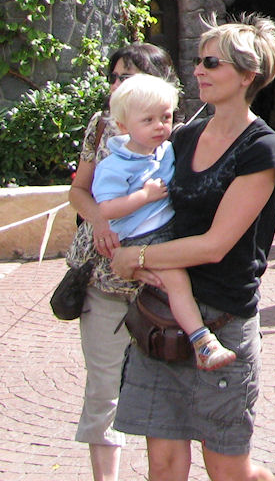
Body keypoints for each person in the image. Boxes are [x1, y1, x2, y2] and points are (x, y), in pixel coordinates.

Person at [111, 14, 275, 481]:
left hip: (222, 321)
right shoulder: (182, 136)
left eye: (212, 62)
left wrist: (137, 258)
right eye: (198, 60)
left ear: (247, 75)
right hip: (161, 317)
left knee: (228, 470)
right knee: (164, 465)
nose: (198, 71)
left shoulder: (262, 147)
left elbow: (215, 245)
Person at [68, 42, 177, 481]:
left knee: (162, 392)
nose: (115, 84)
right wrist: (98, 219)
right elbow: (80, 189)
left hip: (159, 285)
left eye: (126, 77)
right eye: (113, 77)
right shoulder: (103, 126)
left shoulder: (177, 134)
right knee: (104, 389)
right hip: (104, 281)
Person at [91, 73, 234, 369]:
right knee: (177, 280)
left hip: (168, 228)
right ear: (123, 126)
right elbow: (107, 209)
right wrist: (144, 196)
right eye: (148, 120)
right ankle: (202, 342)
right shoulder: (114, 166)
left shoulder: (167, 150)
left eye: (165, 117)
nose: (160, 126)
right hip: (142, 235)